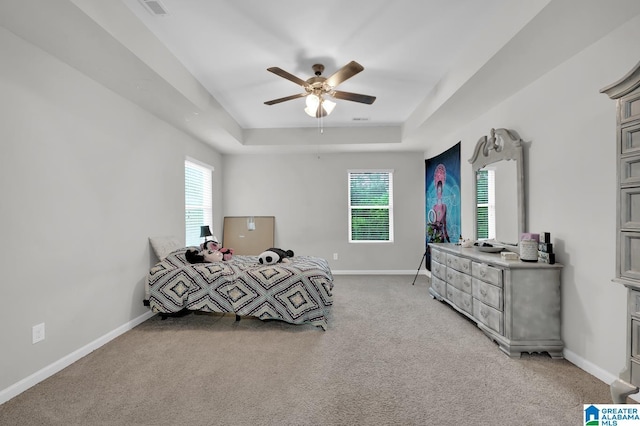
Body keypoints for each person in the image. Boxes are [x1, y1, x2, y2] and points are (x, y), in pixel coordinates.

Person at [428, 164, 450, 243]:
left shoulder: (444, 206)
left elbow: (444, 223)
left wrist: (446, 234)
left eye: (440, 190)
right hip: (436, 234)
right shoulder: (434, 207)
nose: (439, 192)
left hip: (441, 235)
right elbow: (433, 222)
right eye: (438, 190)